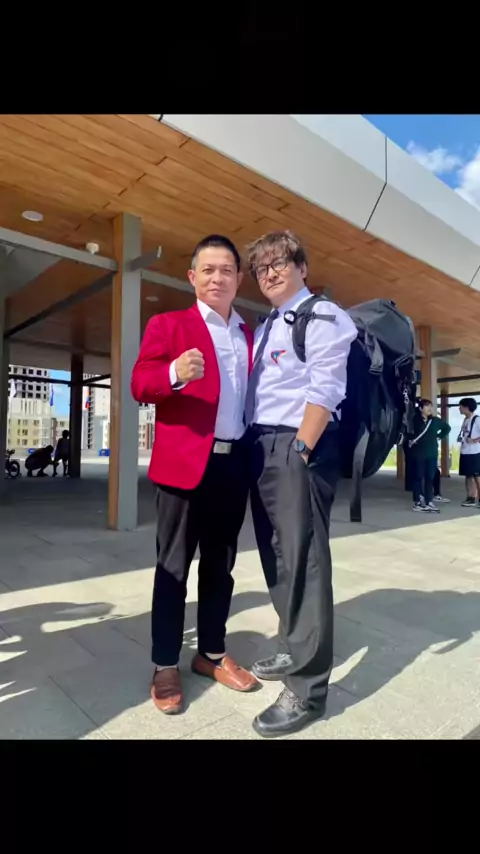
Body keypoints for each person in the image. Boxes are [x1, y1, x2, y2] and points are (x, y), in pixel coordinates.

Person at [131, 234, 258, 715]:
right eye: (208, 269)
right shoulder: (168, 325)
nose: (217, 278)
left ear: (238, 278)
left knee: (221, 567)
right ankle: (165, 663)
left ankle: (211, 653)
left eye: (226, 270)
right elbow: (139, 383)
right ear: (192, 277)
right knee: (173, 568)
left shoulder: (250, 334)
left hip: (233, 465)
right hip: (184, 467)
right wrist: (174, 374)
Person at [244, 229, 358, 738]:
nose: (269, 273)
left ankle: (307, 690)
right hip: (262, 445)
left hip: (296, 445)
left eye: (279, 263)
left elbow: (327, 386)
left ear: (302, 267)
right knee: (278, 557)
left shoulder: (324, 315)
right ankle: (294, 644)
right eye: (261, 268)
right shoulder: (270, 323)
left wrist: (301, 450)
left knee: (306, 561)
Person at [409, 399, 450, 513]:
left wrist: (439, 436)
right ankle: (417, 502)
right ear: (420, 408)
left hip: (432, 454)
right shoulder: (414, 420)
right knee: (418, 477)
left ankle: (429, 501)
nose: (429, 408)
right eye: (426, 406)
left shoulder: (435, 421)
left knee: (429, 478)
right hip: (418, 454)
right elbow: (408, 432)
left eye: (430, 406)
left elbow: (447, 428)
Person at [458, 397, 480, 508]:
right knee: (468, 475)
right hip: (465, 451)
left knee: (477, 476)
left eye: (461, 406)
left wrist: (474, 440)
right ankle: (471, 498)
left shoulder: (477, 419)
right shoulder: (466, 419)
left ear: (466, 407)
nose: (459, 409)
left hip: (474, 452)